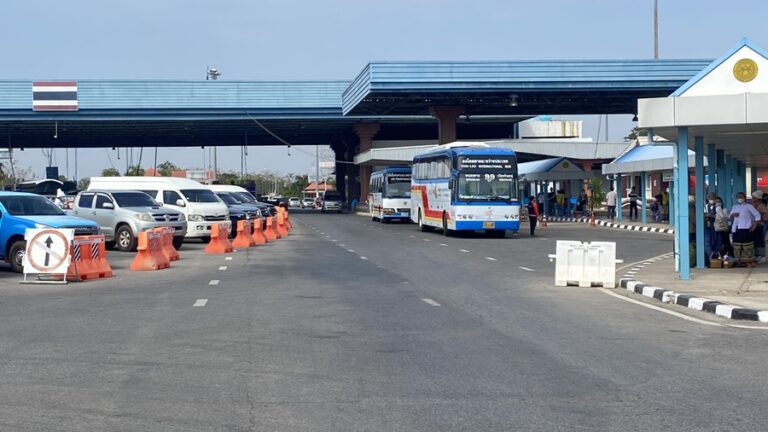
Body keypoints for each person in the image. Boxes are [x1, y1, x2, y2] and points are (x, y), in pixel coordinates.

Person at [730, 192, 761, 267]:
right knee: (737, 246)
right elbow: (730, 216)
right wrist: (733, 215)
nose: (740, 198)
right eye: (738, 197)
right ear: (736, 198)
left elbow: (757, 215)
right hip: (736, 229)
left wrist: (754, 225)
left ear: (744, 198)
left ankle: (749, 261)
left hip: (746, 228)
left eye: (741, 196)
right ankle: (739, 261)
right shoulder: (735, 207)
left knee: (747, 246)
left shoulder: (749, 206)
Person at [751, 190, 768, 264]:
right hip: (756, 225)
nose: (752, 198)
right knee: (757, 240)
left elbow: (767, 212)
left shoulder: (761, 205)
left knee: (760, 241)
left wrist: (764, 218)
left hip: (760, 225)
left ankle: (762, 257)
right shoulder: (755, 205)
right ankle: (758, 256)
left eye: (753, 197)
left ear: (758, 198)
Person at [704, 192, 721, 261]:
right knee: (707, 242)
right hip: (708, 227)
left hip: (716, 228)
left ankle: (718, 257)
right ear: (708, 199)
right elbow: (704, 215)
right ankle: (710, 258)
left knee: (717, 242)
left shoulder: (718, 207)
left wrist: (710, 215)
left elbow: (720, 216)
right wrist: (709, 216)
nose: (712, 200)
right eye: (710, 198)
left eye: (713, 198)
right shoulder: (705, 206)